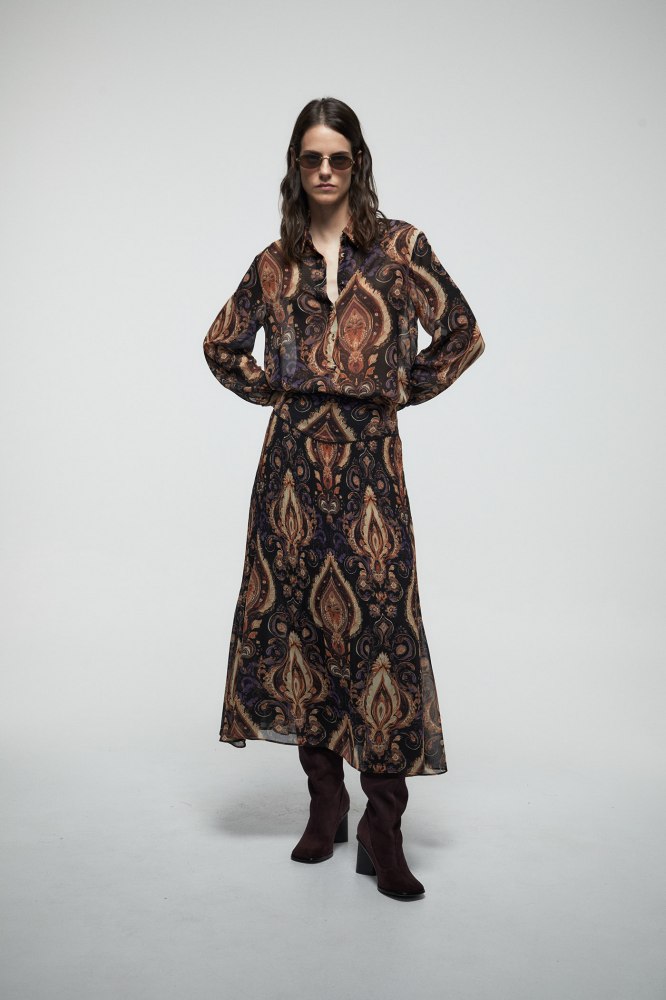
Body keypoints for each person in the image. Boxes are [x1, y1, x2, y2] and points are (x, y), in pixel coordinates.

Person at [202, 96, 485, 901]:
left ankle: (382, 829)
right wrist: (279, 393)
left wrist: (397, 391)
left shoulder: (400, 248)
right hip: (291, 470)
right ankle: (325, 806)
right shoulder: (274, 261)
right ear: (296, 167)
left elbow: (461, 333)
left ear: (357, 163)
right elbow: (221, 343)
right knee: (300, 626)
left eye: (337, 158)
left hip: (370, 467)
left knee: (382, 633)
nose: (324, 171)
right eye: (310, 159)